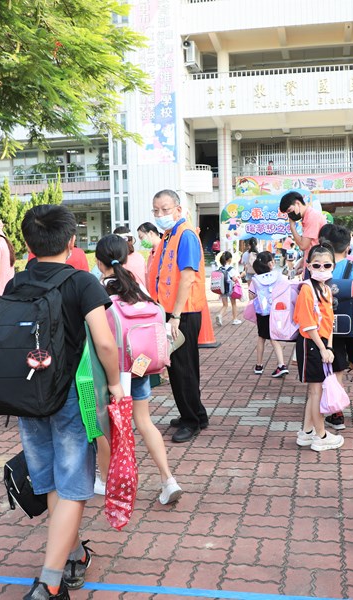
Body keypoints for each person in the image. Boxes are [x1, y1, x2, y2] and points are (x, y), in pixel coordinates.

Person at [14, 204, 123, 600]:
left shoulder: (16, 283)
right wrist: (114, 386)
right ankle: (49, 582)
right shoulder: (82, 283)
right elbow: (106, 341)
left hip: (28, 395)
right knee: (75, 484)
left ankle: (73, 551)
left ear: (28, 243)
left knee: (52, 482)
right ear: (72, 241)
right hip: (74, 396)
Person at [94, 234, 183, 505]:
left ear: (99, 262)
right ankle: (169, 480)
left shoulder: (100, 291)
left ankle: (110, 483)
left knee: (105, 430)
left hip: (111, 374)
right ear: (125, 256)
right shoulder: (137, 288)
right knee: (144, 423)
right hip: (140, 367)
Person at [147, 190, 210, 443]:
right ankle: (196, 414)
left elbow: (187, 276)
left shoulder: (185, 235)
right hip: (173, 312)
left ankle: (190, 421)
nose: (161, 215)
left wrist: (175, 315)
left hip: (181, 313)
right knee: (180, 368)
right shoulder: (170, 234)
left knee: (183, 369)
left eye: (165, 209)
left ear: (178, 209)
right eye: (156, 211)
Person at [318, 224, 353, 428]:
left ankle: (337, 413)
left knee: (336, 368)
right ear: (347, 247)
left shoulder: (322, 269)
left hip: (330, 327)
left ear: (328, 247)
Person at [293, 243, 343, 452]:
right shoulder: (306, 289)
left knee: (315, 392)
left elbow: (329, 321)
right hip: (310, 344)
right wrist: (323, 348)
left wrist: (329, 347)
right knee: (316, 392)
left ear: (333, 265)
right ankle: (321, 436)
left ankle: (306, 433)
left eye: (326, 265)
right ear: (309, 265)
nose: (322, 269)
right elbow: (307, 324)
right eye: (317, 265)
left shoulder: (326, 290)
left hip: (321, 344)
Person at [248, 251, 288, 378]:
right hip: (276, 311)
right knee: (274, 337)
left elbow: (251, 296)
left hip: (262, 312)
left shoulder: (256, 280)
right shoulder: (278, 276)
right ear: (270, 263)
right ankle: (281, 364)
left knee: (261, 337)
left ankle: (259, 365)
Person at [280, 191, 326, 276]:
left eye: (289, 210)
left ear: (297, 203)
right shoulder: (307, 217)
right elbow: (310, 246)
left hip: (316, 268)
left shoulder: (312, 217)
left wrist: (292, 226)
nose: (289, 215)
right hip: (312, 264)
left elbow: (303, 246)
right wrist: (300, 265)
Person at [214, 251, 241, 326]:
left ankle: (219, 315)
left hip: (222, 289)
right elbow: (234, 279)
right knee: (233, 303)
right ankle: (235, 319)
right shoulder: (230, 269)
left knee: (225, 305)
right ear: (229, 259)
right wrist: (240, 276)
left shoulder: (220, 268)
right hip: (230, 288)